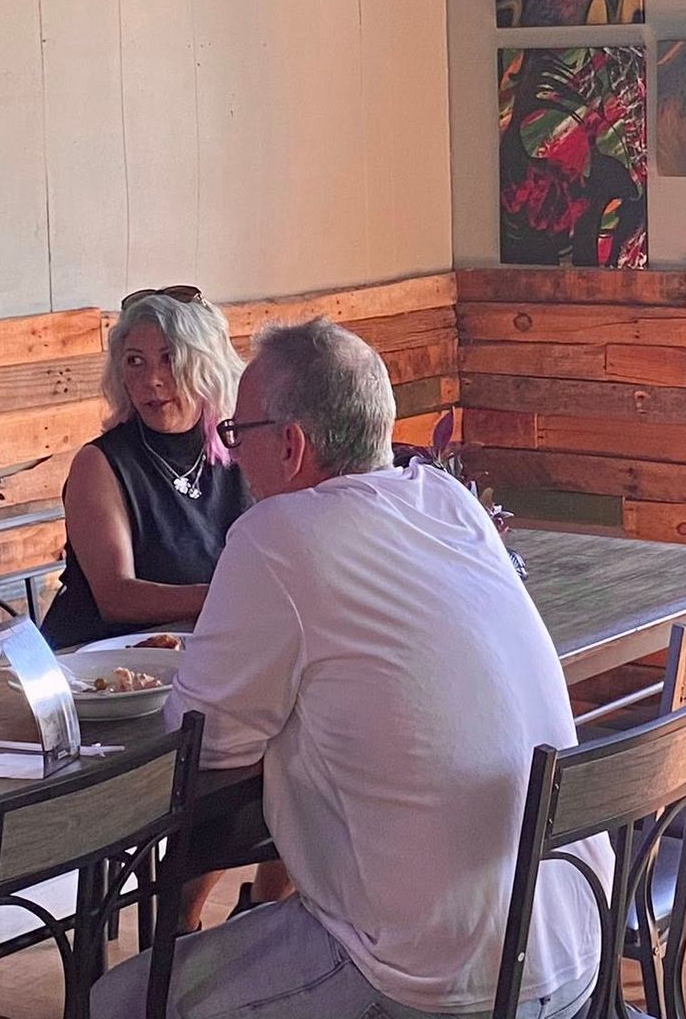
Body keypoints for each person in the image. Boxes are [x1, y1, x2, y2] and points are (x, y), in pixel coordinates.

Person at [93, 319, 603, 1019]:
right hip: (575, 954)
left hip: (435, 982)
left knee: (118, 1000)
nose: (232, 456)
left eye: (238, 436)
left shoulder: (278, 536)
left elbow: (204, 740)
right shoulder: (448, 502)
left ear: (292, 444)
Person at [41, 288, 251, 650]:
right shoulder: (100, 464)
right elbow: (116, 597)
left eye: (170, 359)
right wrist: (235, 598)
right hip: (97, 665)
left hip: (206, 649)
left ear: (207, 366)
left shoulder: (241, 446)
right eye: (135, 361)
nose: (151, 379)